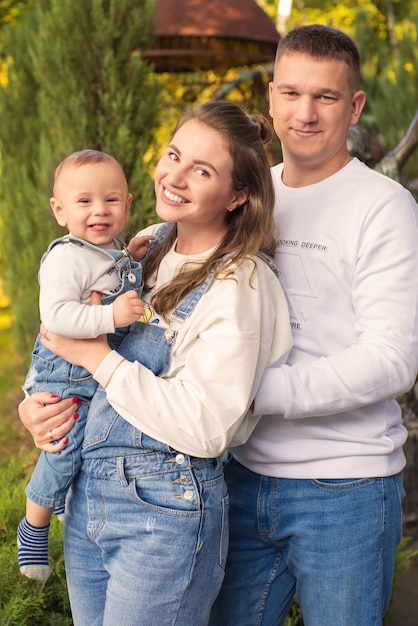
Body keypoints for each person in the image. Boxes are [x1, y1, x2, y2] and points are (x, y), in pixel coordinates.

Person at [18, 101, 293, 625]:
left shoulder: (240, 285)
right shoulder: (141, 247)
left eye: (203, 170)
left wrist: (99, 360)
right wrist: (37, 407)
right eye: (174, 156)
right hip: (88, 499)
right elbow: (61, 331)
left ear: (238, 196)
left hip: (164, 512)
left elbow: (208, 427)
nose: (176, 177)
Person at [208, 25, 418, 626]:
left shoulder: (384, 207)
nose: (305, 113)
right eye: (292, 94)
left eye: (325, 97)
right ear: (271, 98)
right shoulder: (241, 195)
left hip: (345, 487)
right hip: (239, 475)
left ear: (354, 107)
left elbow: (391, 359)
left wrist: (252, 393)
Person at [17, 149, 151, 581]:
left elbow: (108, 276)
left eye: (111, 200)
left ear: (127, 204)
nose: (100, 210)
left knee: (91, 442)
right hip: (65, 371)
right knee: (64, 444)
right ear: (59, 211)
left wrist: (130, 255)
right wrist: (110, 316)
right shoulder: (66, 257)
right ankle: (33, 526)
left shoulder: (110, 251)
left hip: (93, 369)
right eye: (84, 201)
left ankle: (61, 501)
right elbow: (56, 317)